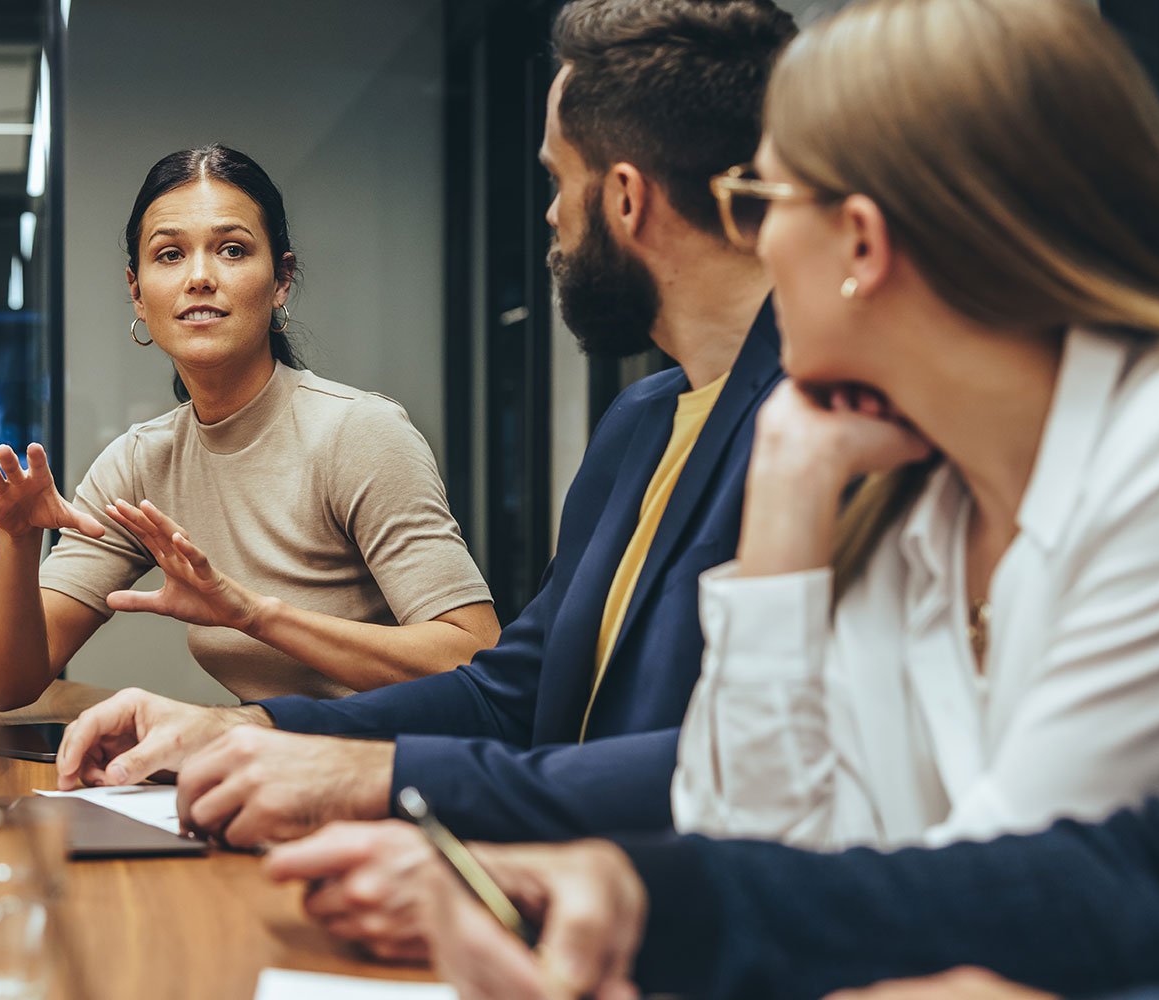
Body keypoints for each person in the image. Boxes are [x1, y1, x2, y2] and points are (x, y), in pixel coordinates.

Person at [288, 2, 1159, 998]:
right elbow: (760, 839)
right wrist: (788, 501)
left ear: (857, 243)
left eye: (760, 199)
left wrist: (653, 900)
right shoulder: (906, 481)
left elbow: (1014, 904)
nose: (748, 241)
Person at [50, 0, 798, 862]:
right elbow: (509, 694)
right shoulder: (638, 424)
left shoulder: (820, 435)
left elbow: (751, 773)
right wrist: (241, 728)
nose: (550, 217)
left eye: (559, 181)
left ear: (625, 197)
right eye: (169, 256)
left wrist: (363, 777)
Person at [0, 144, 498, 710]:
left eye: (232, 250)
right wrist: (18, 542)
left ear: (281, 280)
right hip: (262, 772)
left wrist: (253, 614)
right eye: (168, 255)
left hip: (395, 775)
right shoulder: (142, 462)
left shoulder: (358, 433)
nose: (199, 277)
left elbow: (472, 663)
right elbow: (9, 684)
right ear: (137, 293)